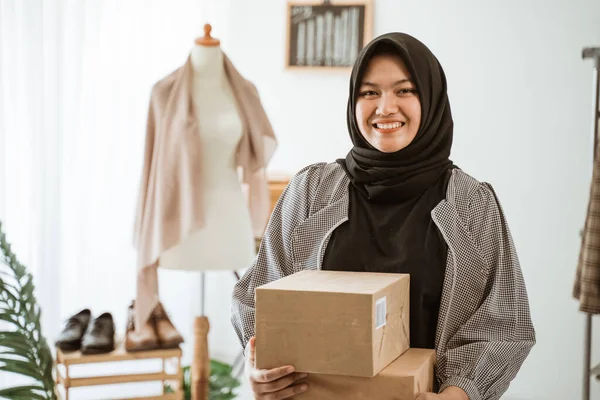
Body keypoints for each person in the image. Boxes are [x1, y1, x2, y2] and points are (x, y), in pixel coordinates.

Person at [231, 32, 536, 400]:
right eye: (370, 92)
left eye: (404, 91)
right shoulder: (312, 191)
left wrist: (457, 395)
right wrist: (260, 367)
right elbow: (257, 297)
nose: (385, 107)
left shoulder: (470, 203)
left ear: (431, 98)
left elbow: (502, 324)